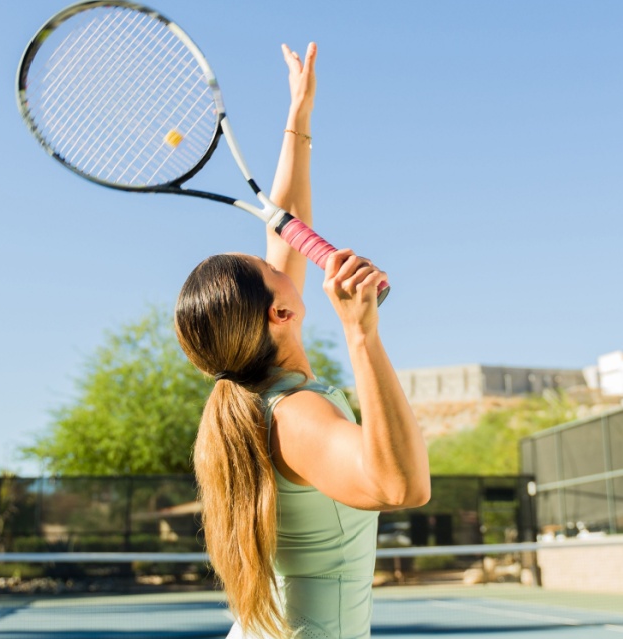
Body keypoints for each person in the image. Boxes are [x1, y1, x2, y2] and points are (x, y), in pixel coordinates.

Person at [174, 42, 430, 639]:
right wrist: (361, 334)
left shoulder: (255, 401)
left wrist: (299, 114)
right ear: (281, 312)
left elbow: (285, 217)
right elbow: (402, 486)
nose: (280, 256)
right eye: (272, 268)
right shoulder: (296, 416)